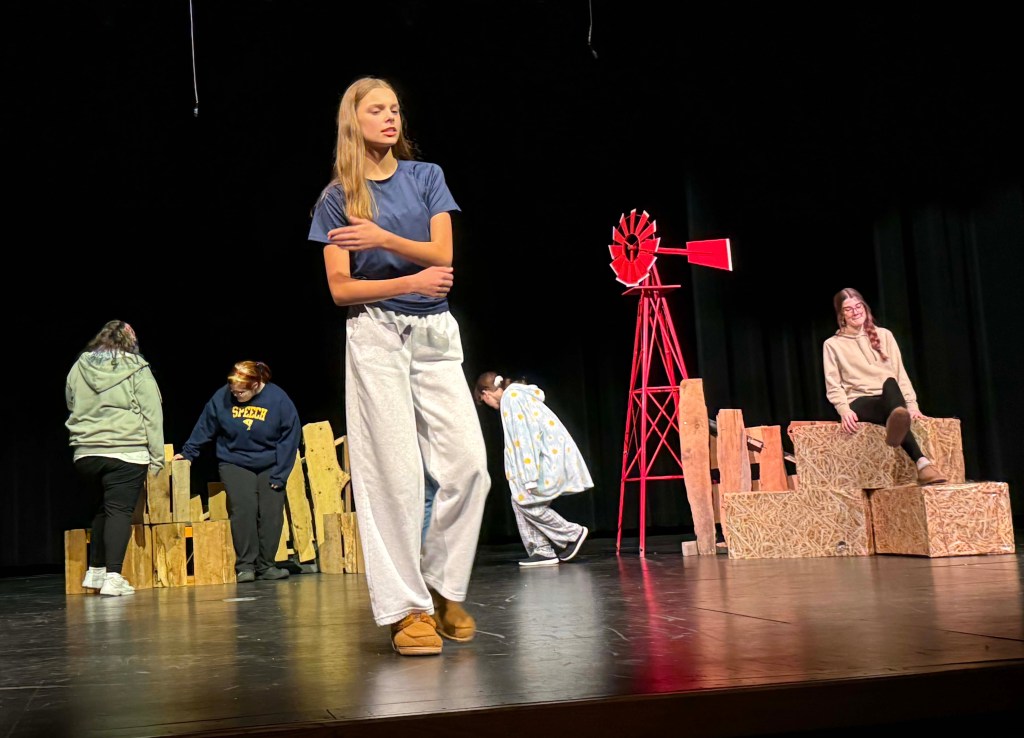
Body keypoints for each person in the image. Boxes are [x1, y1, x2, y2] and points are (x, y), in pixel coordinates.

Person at [307, 76, 490, 657]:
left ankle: (439, 585)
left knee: (470, 466)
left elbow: (444, 255)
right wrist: (408, 281)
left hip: (435, 333)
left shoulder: (426, 177)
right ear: (353, 121)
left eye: (394, 109)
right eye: (377, 110)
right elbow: (340, 288)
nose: (390, 118)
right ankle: (407, 609)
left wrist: (382, 238)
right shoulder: (337, 198)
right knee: (396, 476)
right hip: (377, 334)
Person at [174, 361, 301, 582]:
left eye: (241, 392)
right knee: (244, 510)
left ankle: (266, 566)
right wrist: (188, 453)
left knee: (271, 513)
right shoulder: (222, 397)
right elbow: (206, 425)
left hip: (270, 463)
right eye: (233, 391)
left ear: (256, 384)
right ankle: (245, 567)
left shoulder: (278, 399)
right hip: (235, 461)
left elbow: (290, 437)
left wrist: (280, 473)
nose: (236, 395)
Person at [65, 320, 164, 597]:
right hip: (125, 450)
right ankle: (114, 577)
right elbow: (152, 413)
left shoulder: (79, 366)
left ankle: (95, 572)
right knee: (119, 512)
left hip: (86, 452)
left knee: (102, 510)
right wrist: (157, 457)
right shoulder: (137, 368)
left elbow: (71, 401)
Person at [823, 287, 947, 485]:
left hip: (889, 397)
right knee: (892, 410)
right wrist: (843, 409)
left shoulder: (885, 335)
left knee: (890, 383)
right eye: (848, 309)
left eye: (858, 306)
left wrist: (912, 405)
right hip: (860, 401)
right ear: (841, 315)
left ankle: (899, 425)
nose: (855, 312)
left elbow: (900, 374)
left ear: (865, 307)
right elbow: (833, 384)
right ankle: (921, 461)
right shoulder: (832, 344)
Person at [473, 372, 592, 567]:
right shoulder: (517, 396)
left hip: (546, 457)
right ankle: (540, 550)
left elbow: (524, 437)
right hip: (550, 454)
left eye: (483, 400)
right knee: (519, 500)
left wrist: (529, 476)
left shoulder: (511, 398)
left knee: (525, 501)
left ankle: (572, 534)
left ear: (486, 393)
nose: (488, 405)